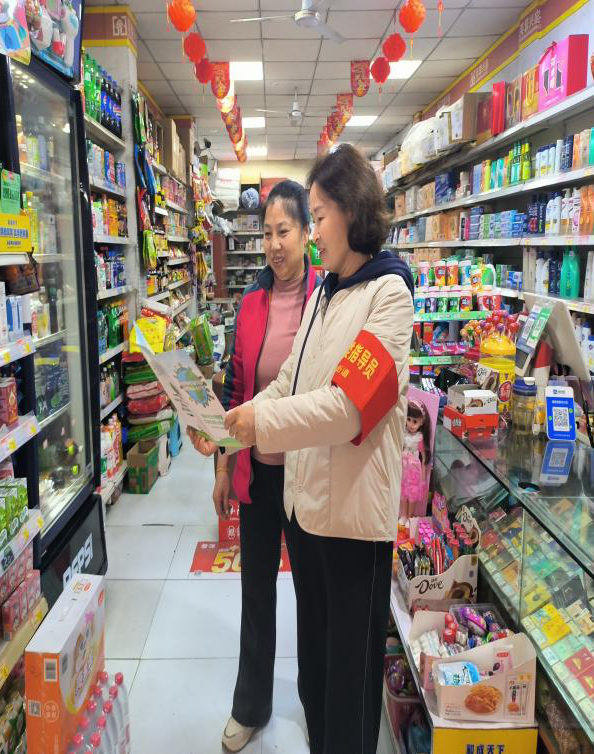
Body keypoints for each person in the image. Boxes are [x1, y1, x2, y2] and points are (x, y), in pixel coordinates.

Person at [222, 144, 414, 754]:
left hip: (353, 527)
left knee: (349, 688)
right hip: (309, 516)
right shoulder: (326, 292)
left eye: (321, 215)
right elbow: (291, 381)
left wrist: (262, 423)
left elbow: (347, 407)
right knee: (317, 675)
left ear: (352, 212)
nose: (315, 230)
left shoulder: (389, 296)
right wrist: (235, 422)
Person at [188, 180, 321, 752]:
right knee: (256, 592)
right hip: (259, 473)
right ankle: (250, 705)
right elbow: (236, 388)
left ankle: (318, 703)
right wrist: (222, 468)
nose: (272, 245)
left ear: (307, 233)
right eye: (266, 233)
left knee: (314, 597)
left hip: (311, 475)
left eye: (283, 231)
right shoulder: (249, 303)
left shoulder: (327, 298)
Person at [401, 398, 432, 518]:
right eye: (408, 419)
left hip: (414, 469)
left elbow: (424, 458)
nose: (411, 424)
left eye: (415, 421)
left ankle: (410, 516)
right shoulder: (403, 434)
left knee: (412, 494)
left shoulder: (419, 437)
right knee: (403, 493)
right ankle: (403, 515)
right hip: (403, 466)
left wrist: (423, 476)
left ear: (421, 422)